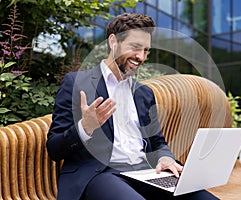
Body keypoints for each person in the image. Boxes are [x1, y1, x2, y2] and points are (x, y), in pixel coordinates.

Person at [46, 13, 219, 200]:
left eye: (146, 50)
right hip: (100, 175)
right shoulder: (76, 83)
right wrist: (85, 128)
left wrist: (165, 158)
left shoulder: (144, 93)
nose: (141, 57)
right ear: (113, 41)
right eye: (135, 48)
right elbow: (55, 148)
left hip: (146, 174)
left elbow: (157, 142)